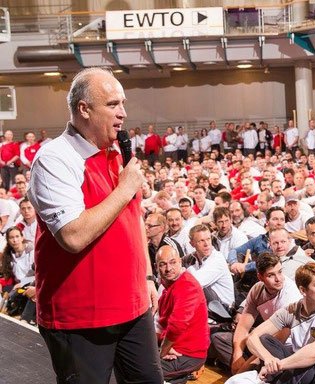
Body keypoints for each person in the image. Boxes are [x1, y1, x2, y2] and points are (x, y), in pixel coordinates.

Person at [27, 68, 162, 383]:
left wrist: (146, 276)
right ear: (84, 109)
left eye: (123, 103)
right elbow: (73, 236)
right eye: (113, 104)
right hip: (81, 318)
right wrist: (125, 189)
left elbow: (133, 219)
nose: (123, 113)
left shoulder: (115, 154)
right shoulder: (55, 159)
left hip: (133, 306)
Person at [245, 263, 315, 383]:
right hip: (298, 364)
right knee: (265, 339)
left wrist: (279, 365)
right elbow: (252, 337)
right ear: (303, 290)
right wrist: (269, 360)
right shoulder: (291, 310)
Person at [211, 252, 302, 374]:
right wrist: (237, 356)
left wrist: (241, 371)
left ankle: (246, 373)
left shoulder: (289, 295)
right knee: (220, 339)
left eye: (280, 272)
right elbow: (243, 326)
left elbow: (277, 341)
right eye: (271, 275)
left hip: (284, 347)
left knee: (266, 358)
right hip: (261, 341)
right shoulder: (257, 289)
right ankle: (247, 371)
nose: (278, 278)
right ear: (260, 277)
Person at [155, 245, 210, 384]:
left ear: (180, 262)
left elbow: (176, 326)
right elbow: (158, 324)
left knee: (143, 372)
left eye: (173, 262)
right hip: (171, 347)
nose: (168, 268)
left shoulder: (187, 285)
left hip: (189, 354)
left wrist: (162, 351)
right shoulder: (166, 285)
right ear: (156, 267)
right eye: (163, 264)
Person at [185, 224, 235, 309]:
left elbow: (196, 283)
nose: (206, 244)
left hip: (224, 310)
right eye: (201, 241)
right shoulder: (193, 258)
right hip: (208, 307)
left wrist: (186, 270)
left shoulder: (217, 259)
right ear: (192, 244)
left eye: (208, 239)